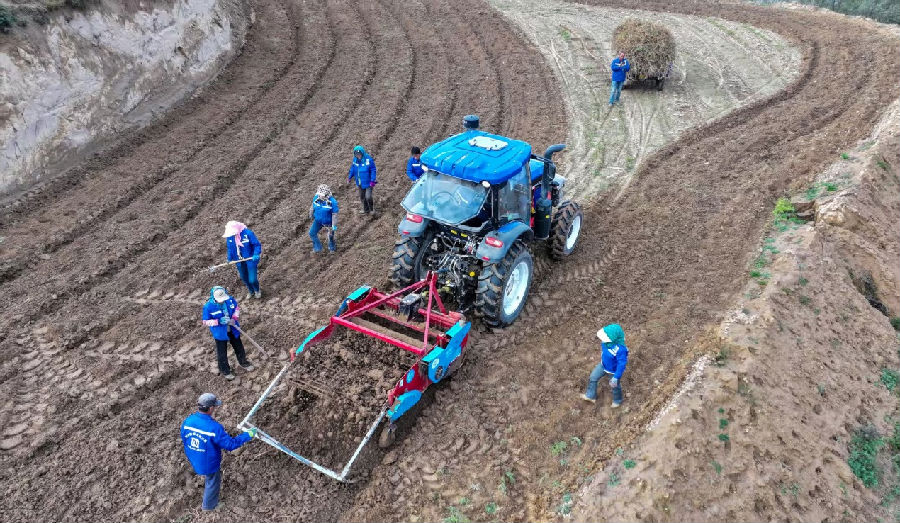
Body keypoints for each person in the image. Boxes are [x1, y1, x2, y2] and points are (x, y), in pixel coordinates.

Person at [181, 392, 257, 511]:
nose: (215, 408)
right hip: (209, 463)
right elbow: (230, 445)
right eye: (215, 406)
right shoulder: (214, 427)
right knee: (213, 481)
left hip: (193, 456)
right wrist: (248, 435)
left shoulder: (188, 421)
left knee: (205, 473)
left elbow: (184, 438)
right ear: (210, 408)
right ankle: (209, 506)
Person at [202, 286, 255, 380]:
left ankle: (243, 362)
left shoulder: (230, 300)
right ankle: (225, 370)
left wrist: (234, 318)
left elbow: (236, 309)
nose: (222, 301)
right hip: (220, 333)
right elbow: (205, 322)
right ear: (214, 298)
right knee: (222, 352)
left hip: (233, 329)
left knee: (239, 346)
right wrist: (218, 321)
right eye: (220, 300)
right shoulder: (208, 307)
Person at [581, 323, 629, 407]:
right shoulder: (606, 343)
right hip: (603, 365)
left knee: (615, 386)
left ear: (613, 338)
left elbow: (621, 364)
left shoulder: (620, 350)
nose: (602, 340)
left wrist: (616, 377)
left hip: (613, 371)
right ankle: (591, 396)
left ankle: (617, 400)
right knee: (593, 377)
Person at [222, 220, 262, 298]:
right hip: (239, 260)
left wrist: (256, 254)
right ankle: (251, 291)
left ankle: (257, 290)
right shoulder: (230, 237)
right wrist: (229, 259)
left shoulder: (248, 233)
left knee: (252, 279)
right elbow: (230, 249)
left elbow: (256, 245)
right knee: (244, 277)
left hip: (250, 259)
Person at [309, 184, 339, 253]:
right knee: (312, 233)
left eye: (321, 194)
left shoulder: (332, 202)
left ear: (326, 194)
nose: (319, 196)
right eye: (319, 194)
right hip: (318, 220)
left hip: (328, 222)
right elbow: (312, 206)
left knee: (331, 235)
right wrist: (311, 214)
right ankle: (318, 248)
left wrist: (334, 226)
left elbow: (334, 215)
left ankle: (332, 247)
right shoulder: (316, 198)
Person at [348, 145, 377, 214]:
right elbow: (352, 169)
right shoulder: (355, 160)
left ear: (362, 153)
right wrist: (349, 177)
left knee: (368, 197)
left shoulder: (368, 159)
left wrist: (372, 180)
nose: (358, 155)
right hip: (360, 182)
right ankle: (366, 210)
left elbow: (373, 170)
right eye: (356, 154)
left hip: (368, 182)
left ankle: (372, 209)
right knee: (362, 197)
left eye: (359, 154)